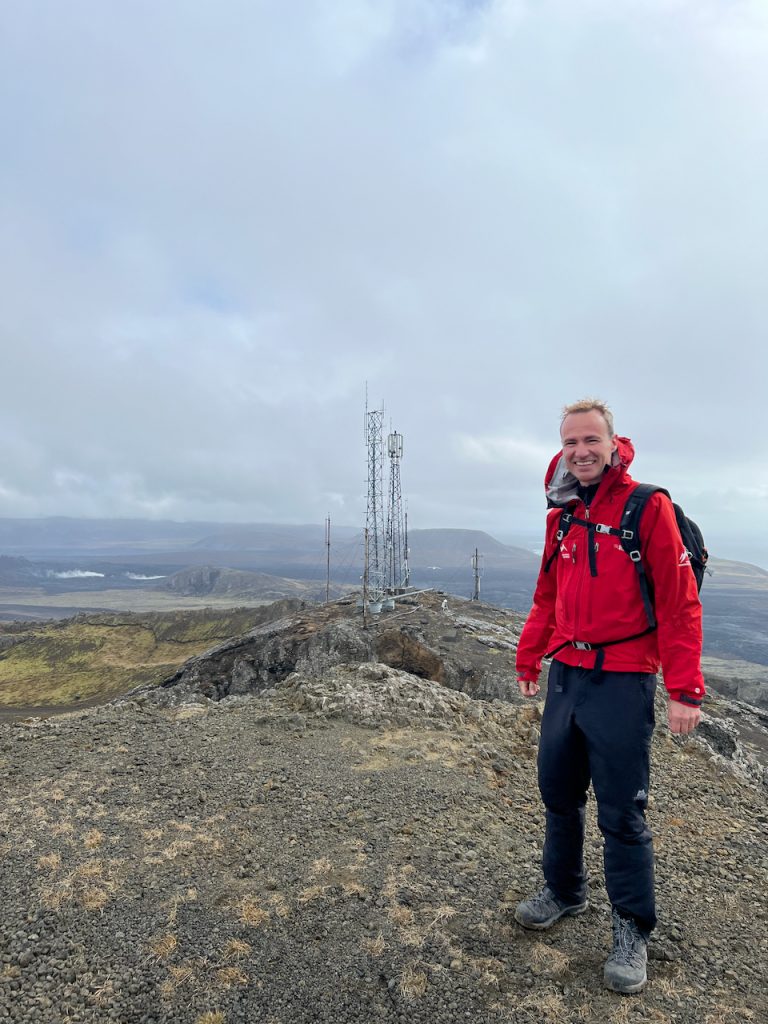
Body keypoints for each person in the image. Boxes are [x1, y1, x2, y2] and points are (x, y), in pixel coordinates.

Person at [514, 398, 703, 995]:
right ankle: (564, 891)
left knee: (621, 811)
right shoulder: (562, 513)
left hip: (623, 679)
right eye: (570, 442)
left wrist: (684, 689)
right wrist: (529, 654)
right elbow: (547, 594)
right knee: (558, 792)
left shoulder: (648, 506)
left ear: (613, 444)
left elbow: (679, 601)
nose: (581, 451)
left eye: (591, 440)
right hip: (566, 674)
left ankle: (631, 929)